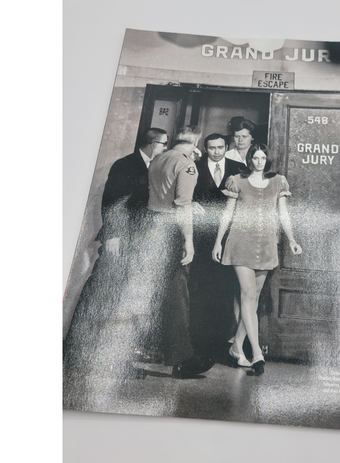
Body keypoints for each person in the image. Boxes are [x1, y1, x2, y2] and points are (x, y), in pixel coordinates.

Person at [63, 128, 169, 377]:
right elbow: (112, 201)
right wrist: (112, 236)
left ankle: (110, 358)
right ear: (152, 144)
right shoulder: (126, 165)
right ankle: (76, 354)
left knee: (121, 300)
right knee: (100, 295)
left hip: (137, 241)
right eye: (164, 144)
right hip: (120, 240)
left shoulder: (154, 167)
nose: (166, 148)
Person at [212, 143, 302, 375]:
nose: (259, 162)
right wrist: (218, 241)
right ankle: (257, 353)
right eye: (255, 158)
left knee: (252, 300)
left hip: (267, 245)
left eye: (263, 158)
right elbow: (227, 213)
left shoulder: (279, 181)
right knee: (248, 296)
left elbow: (283, 214)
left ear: (267, 160)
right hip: (240, 243)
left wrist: (292, 239)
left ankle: (236, 348)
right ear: (250, 159)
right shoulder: (237, 181)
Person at [146, 125, 213, 379]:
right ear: (195, 143)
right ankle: (182, 359)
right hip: (172, 231)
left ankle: (157, 350)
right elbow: (182, 207)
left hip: (152, 226)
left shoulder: (159, 158)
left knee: (158, 292)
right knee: (177, 294)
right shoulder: (187, 165)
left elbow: (163, 195)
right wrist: (188, 240)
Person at [189, 134, 242, 359]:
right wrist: (190, 203)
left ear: (226, 147)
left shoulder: (238, 168)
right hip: (201, 235)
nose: (217, 151)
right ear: (205, 149)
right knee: (200, 284)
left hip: (229, 235)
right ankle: (198, 339)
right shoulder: (194, 166)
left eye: (220, 147)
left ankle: (221, 340)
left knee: (226, 286)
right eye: (212, 148)